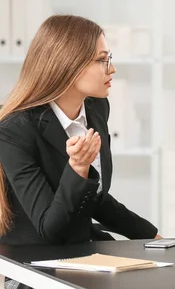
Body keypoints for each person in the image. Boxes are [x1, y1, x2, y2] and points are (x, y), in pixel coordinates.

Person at [0, 15, 161, 247]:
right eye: (102, 60)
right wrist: (77, 169)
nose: (112, 69)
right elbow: (51, 229)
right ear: (68, 64)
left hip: (84, 247)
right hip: (37, 263)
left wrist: (154, 237)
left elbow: (94, 199)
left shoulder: (96, 108)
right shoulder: (14, 130)